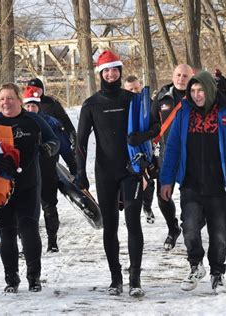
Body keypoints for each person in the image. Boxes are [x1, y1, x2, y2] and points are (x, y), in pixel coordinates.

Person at [160, 70, 226, 292]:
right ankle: (195, 265)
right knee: (190, 228)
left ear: (210, 89)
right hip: (191, 184)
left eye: (200, 90)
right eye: (192, 91)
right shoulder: (183, 113)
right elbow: (172, 148)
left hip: (220, 185)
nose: (196, 95)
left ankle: (217, 273)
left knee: (218, 234)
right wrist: (166, 180)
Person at [76, 50, 159, 297]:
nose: (111, 74)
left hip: (131, 170)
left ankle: (135, 279)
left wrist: (141, 137)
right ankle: (116, 279)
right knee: (110, 227)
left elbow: (156, 126)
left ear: (120, 71)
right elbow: (80, 141)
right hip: (105, 172)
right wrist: (80, 171)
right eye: (106, 70)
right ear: (100, 73)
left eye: (115, 70)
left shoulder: (131, 99)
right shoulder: (91, 104)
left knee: (133, 223)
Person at [0, 83, 60, 293]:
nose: (6, 102)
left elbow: (54, 141)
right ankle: (11, 279)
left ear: (19, 100)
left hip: (29, 184)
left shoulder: (33, 120)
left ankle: (34, 277)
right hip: (2, 186)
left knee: (29, 229)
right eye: (2, 99)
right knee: (7, 234)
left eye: (10, 98)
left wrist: (44, 149)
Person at [23, 86, 77, 253]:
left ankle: (52, 241)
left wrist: (75, 169)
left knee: (49, 207)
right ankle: (27, 245)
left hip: (47, 171)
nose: (31, 109)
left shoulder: (52, 123)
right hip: (25, 174)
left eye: (34, 106)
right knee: (26, 211)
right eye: (28, 106)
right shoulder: (17, 123)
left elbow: (65, 148)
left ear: (39, 106)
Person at [150, 64, 194, 251]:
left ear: (191, 77)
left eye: (185, 75)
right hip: (166, 153)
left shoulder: (197, 96)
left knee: (190, 195)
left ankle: (191, 227)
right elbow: (151, 124)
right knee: (163, 196)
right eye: (178, 75)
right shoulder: (162, 97)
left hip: (191, 153)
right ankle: (172, 227)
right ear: (172, 75)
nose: (181, 78)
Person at [123, 75, 155, 224]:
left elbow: (157, 126)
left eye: (137, 88)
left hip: (145, 147)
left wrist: (143, 136)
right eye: (131, 89)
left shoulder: (148, 103)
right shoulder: (121, 104)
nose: (135, 91)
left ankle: (147, 206)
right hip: (126, 151)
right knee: (135, 180)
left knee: (147, 182)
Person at [27, 77, 77, 147]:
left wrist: (72, 134)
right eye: (32, 89)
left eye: (37, 89)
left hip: (52, 139)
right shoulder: (24, 104)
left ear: (42, 90)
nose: (35, 92)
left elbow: (64, 119)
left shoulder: (51, 102)